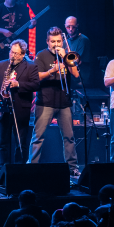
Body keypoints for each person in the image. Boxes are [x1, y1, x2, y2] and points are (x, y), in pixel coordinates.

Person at [28, 27, 81, 177]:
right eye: (52, 41)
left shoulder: (67, 55)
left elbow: (76, 75)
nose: (55, 44)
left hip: (64, 102)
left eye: (58, 41)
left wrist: (66, 58)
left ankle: (72, 168)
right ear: (47, 41)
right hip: (45, 101)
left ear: (63, 42)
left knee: (69, 137)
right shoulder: (41, 55)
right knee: (38, 137)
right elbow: (35, 77)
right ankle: (31, 167)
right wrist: (52, 71)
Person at [0, 40, 39, 187]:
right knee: (2, 143)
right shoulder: (1, 65)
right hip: (3, 109)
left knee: (20, 144)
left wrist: (19, 85)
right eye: (11, 51)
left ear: (23, 54)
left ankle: (19, 173)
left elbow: (36, 84)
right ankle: (1, 174)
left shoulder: (31, 66)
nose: (12, 55)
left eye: (16, 53)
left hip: (20, 109)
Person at [0, 0, 36, 65]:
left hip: (20, 45)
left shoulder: (23, 8)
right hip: (4, 45)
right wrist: (3, 31)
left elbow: (29, 25)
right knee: (5, 69)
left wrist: (33, 24)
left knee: (21, 68)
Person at [63, 16, 92, 85]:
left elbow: (78, 61)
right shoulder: (65, 41)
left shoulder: (83, 40)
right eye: (68, 27)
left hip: (80, 78)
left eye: (73, 27)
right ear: (65, 26)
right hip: (69, 77)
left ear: (77, 26)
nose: (70, 29)